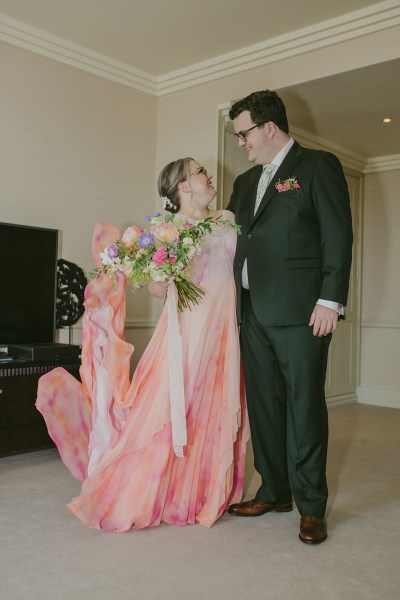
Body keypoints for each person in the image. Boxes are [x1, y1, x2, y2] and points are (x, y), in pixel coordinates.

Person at [36, 157, 249, 531]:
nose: (208, 175)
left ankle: (202, 490)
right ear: (183, 186)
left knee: (213, 403)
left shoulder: (227, 218)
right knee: (173, 406)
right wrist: (156, 283)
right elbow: (154, 283)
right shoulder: (167, 229)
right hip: (186, 329)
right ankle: (155, 489)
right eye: (199, 171)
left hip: (223, 327)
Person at [226, 90, 353, 544]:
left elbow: (337, 237)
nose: (241, 142)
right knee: (264, 407)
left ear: (269, 127)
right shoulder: (244, 183)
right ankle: (275, 491)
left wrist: (329, 299)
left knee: (303, 408)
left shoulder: (318, 167)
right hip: (251, 312)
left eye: (244, 133)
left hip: (302, 312)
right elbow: (233, 241)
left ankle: (311, 504)